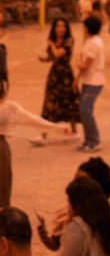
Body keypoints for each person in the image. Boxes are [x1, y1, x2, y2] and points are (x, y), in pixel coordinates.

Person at [0, 59, 67, 207]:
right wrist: (57, 128)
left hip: (1, 150)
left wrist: (57, 128)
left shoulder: (9, 107)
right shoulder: (8, 107)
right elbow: (34, 120)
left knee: (2, 192)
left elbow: (34, 121)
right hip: (1, 149)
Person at [37, 157, 110, 253]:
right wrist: (46, 239)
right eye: (75, 181)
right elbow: (56, 245)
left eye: (82, 183)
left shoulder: (106, 221)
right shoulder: (67, 215)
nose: (75, 186)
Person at [31, 17, 79, 147]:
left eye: (63, 26)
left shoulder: (69, 40)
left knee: (68, 103)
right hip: (54, 76)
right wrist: (45, 59)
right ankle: (43, 135)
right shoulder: (54, 41)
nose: (61, 29)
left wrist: (51, 44)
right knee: (49, 104)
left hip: (65, 76)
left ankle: (74, 131)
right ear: (54, 28)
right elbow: (52, 57)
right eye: (58, 26)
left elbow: (58, 54)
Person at [76, 15, 105, 154]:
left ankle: (94, 140)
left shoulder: (94, 43)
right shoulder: (92, 41)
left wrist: (76, 76)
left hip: (94, 81)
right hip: (89, 80)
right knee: (84, 110)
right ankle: (88, 140)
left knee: (85, 110)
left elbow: (85, 64)